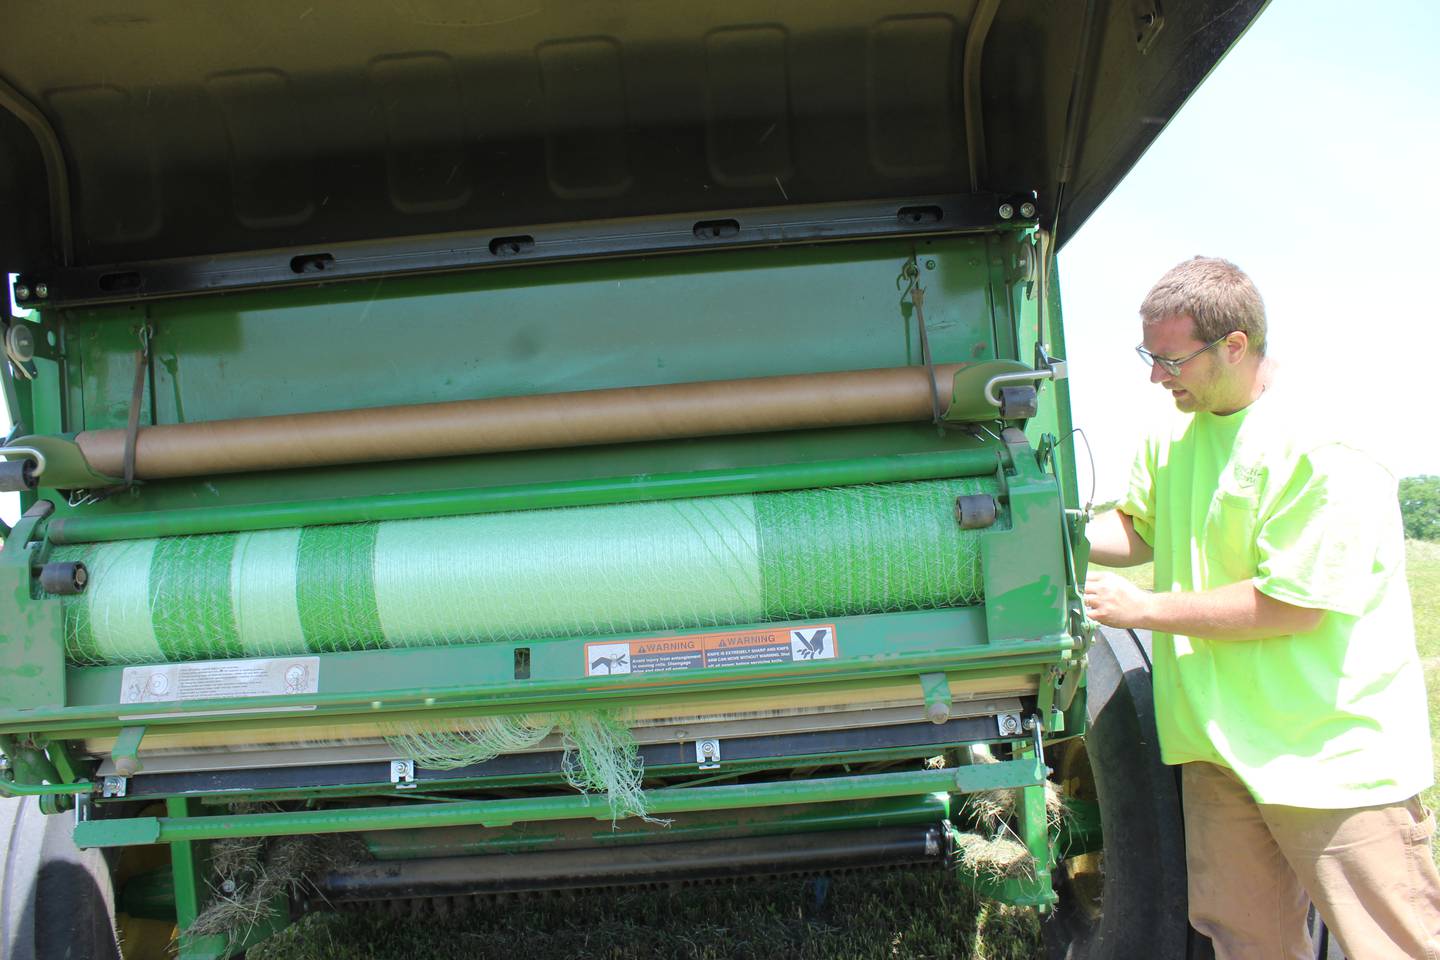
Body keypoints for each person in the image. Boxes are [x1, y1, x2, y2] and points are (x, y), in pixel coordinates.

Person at [1082, 256, 1440, 959]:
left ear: (1235, 345)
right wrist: (1052, 532)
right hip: (1218, 751)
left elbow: (1290, 607)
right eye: (1148, 357)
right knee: (1248, 943)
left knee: (1391, 943)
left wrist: (1144, 609)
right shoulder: (1172, 433)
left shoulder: (1324, 447)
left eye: (1170, 359)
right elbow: (1138, 528)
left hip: (1326, 753)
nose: (1157, 376)